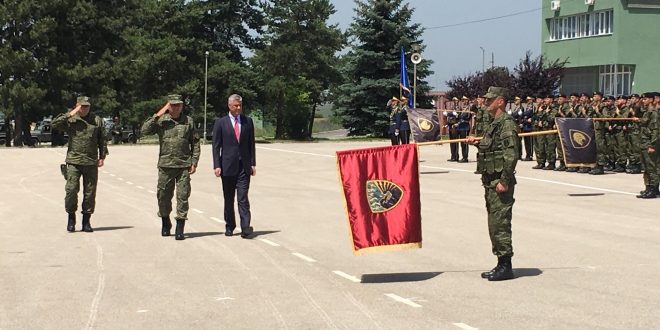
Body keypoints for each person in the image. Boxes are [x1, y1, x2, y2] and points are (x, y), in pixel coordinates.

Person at [467, 86, 518, 281]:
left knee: (500, 223)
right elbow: (491, 147)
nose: (486, 103)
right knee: (494, 223)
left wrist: (504, 181)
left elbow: (511, 155)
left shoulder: (506, 124)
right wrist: (476, 142)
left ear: (500, 101)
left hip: (499, 181)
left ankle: (506, 265)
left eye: (490, 100)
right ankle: (500, 263)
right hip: (490, 180)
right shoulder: (493, 123)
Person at [141, 94, 201, 240]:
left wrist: (194, 162)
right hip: (165, 166)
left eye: (178, 105)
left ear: (182, 106)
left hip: (183, 166)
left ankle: (180, 227)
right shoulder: (162, 121)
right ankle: (165, 222)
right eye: (173, 105)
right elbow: (144, 131)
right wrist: (160, 113)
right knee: (163, 197)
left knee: (183, 197)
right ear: (168, 106)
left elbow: (195, 143)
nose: (176, 108)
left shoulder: (188, 121)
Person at [51, 96, 108, 233]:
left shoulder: (97, 120)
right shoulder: (71, 120)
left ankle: (86, 221)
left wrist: (102, 157)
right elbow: (55, 124)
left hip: (90, 161)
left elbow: (102, 140)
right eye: (82, 106)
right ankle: (71, 218)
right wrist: (71, 113)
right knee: (71, 190)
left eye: (87, 106)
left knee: (89, 193)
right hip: (73, 161)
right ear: (77, 106)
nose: (85, 109)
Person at [212, 94, 257, 238]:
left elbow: (251, 144)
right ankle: (230, 225)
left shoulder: (247, 122)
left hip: (244, 166)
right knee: (229, 198)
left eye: (240, 106)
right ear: (229, 106)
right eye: (236, 106)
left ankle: (245, 227)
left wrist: (253, 163)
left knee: (243, 198)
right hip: (227, 167)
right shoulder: (221, 123)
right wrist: (217, 165)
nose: (238, 108)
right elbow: (216, 146)